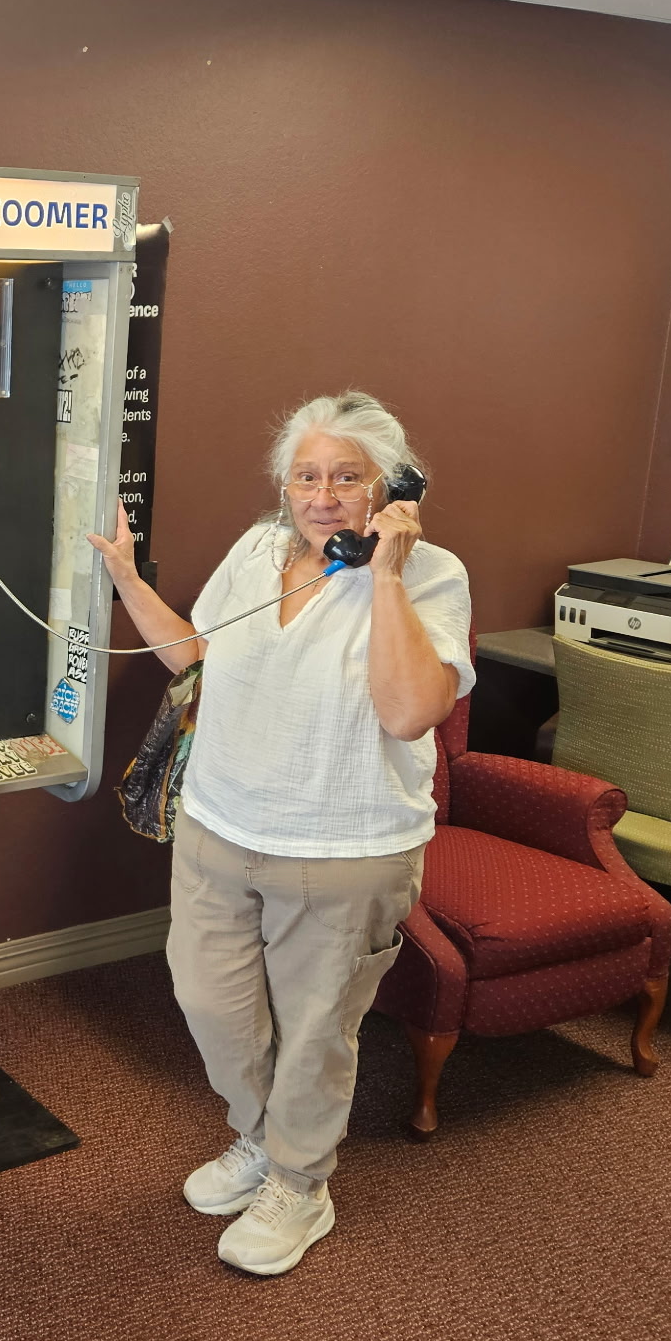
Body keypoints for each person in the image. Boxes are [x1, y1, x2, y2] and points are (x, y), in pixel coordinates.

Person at [88, 391, 473, 1276]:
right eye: (307, 476)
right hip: (220, 823)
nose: (324, 494)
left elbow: (412, 709)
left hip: (344, 849)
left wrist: (382, 577)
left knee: (315, 1031)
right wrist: (127, 578)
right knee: (208, 1001)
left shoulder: (431, 577)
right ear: (284, 486)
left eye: (348, 477)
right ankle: (262, 1140)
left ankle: (300, 1184)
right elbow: (197, 654)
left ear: (392, 488)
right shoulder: (258, 553)